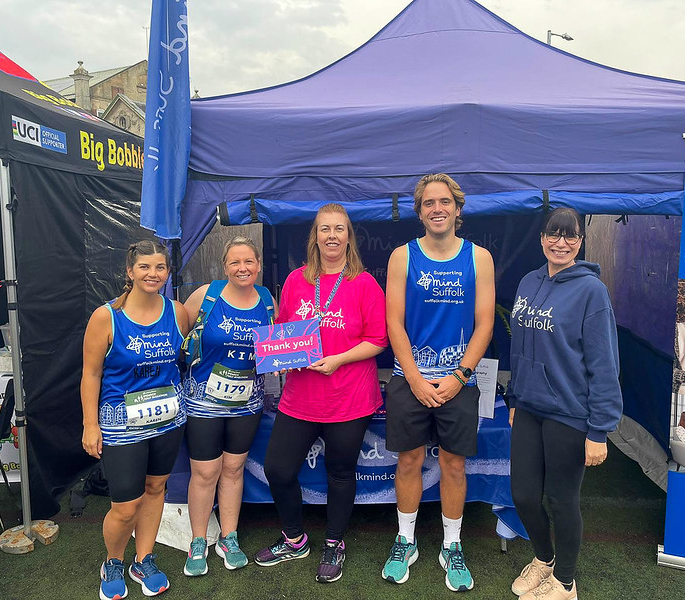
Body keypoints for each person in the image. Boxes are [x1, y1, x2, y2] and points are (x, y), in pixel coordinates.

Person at [254, 203, 387, 584]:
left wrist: (339, 359)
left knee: (340, 472)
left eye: (339, 229)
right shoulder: (297, 280)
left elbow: (378, 339)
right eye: (324, 228)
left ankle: (334, 542)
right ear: (314, 236)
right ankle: (295, 539)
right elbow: (283, 332)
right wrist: (286, 356)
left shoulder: (363, 283)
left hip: (350, 396)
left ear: (349, 236)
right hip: (301, 396)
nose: (331, 235)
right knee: (278, 468)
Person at [382, 173, 495, 593]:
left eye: (444, 202)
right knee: (409, 461)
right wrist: (414, 377)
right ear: (420, 211)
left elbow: (485, 324)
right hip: (409, 379)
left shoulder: (479, 258)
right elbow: (394, 322)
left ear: (458, 209)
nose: (437, 209)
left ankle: (452, 545)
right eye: (428, 203)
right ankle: (405, 541)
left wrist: (460, 376)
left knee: (453, 464)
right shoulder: (402, 256)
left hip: (458, 382)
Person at [506, 207, 623, 600]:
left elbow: (604, 364)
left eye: (570, 236)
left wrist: (599, 430)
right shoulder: (527, 282)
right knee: (522, 494)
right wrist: (514, 396)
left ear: (580, 241)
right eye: (554, 234)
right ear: (542, 237)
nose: (561, 242)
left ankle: (566, 584)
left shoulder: (592, 291)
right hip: (528, 408)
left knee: (560, 499)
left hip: (570, 413)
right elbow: (518, 346)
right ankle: (544, 559)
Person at [81, 240, 189, 600]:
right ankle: (113, 560)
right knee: (125, 506)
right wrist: (90, 424)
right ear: (129, 271)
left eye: (160, 267)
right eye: (144, 267)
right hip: (121, 424)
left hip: (168, 420)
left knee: (156, 489)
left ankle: (144, 558)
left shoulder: (176, 311)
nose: (152, 274)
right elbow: (91, 373)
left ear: (167, 273)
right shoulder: (106, 316)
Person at [181, 236, 276, 576]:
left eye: (248, 262)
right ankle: (197, 540)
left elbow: (273, 349)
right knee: (205, 472)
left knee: (234, 470)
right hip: (203, 402)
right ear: (225, 266)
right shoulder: (206, 295)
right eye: (235, 262)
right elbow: (179, 335)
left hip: (247, 403)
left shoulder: (267, 300)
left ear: (259, 265)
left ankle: (228, 536)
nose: (242, 268)